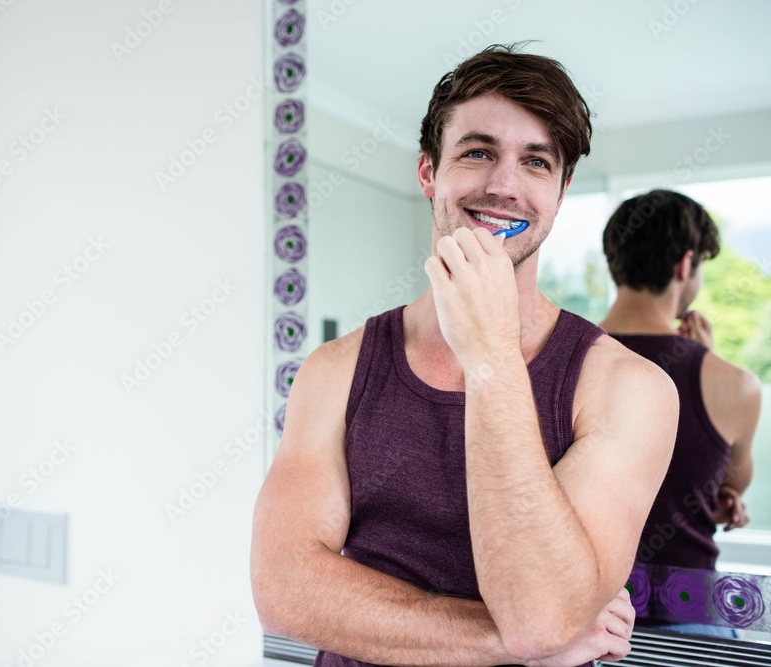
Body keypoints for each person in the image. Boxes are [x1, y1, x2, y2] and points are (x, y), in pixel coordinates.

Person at [251, 44, 678, 667]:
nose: (503, 186)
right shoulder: (336, 370)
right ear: (429, 173)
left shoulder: (627, 388)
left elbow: (542, 614)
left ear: (561, 191)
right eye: (477, 152)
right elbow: (285, 592)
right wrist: (513, 641)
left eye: (536, 162)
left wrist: (491, 356)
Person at [599, 190, 760, 636]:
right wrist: (707, 363)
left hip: (586, 616)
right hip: (689, 616)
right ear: (685, 265)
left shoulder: (558, 358)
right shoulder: (736, 385)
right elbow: (730, 486)